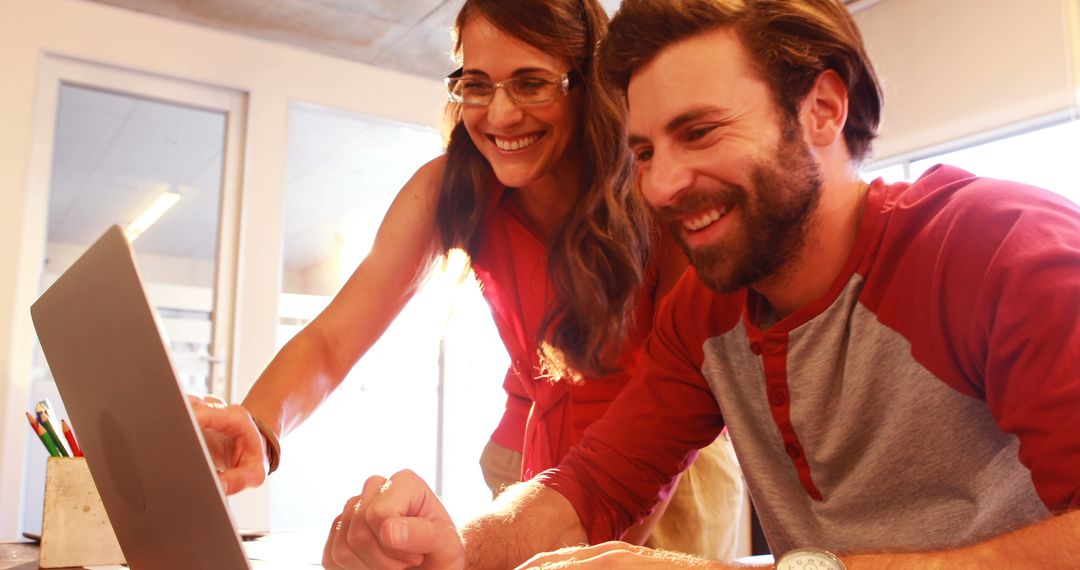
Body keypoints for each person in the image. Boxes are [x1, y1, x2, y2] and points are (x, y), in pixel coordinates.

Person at [319, 0, 1080, 568]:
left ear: (822, 108)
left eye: (700, 131)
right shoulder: (707, 313)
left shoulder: (997, 246)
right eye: (643, 151)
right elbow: (590, 489)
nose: (660, 186)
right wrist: (452, 547)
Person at [192, 0, 745, 561]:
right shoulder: (449, 190)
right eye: (477, 85)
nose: (500, 117)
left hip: (670, 456)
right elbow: (332, 341)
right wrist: (259, 429)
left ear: (589, 83)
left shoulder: (655, 190)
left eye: (531, 84)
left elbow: (669, 400)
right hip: (536, 451)